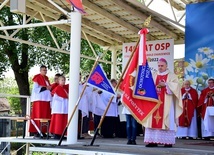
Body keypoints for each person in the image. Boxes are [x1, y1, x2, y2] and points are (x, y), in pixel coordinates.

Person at [142, 58, 183, 147]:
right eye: (159, 66)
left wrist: (167, 85)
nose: (160, 67)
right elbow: (148, 87)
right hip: (154, 103)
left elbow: (177, 88)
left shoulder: (172, 76)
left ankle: (167, 142)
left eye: (162, 66)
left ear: (166, 66)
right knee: (152, 121)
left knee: (167, 119)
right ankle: (152, 141)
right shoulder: (153, 75)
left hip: (167, 103)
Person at [29, 65, 52, 137]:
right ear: (40, 70)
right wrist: (46, 88)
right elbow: (36, 90)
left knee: (45, 115)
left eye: (46, 70)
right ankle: (37, 131)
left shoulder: (46, 79)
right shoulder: (37, 78)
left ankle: (43, 130)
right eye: (43, 70)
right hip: (39, 100)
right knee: (38, 115)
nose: (45, 71)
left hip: (46, 99)